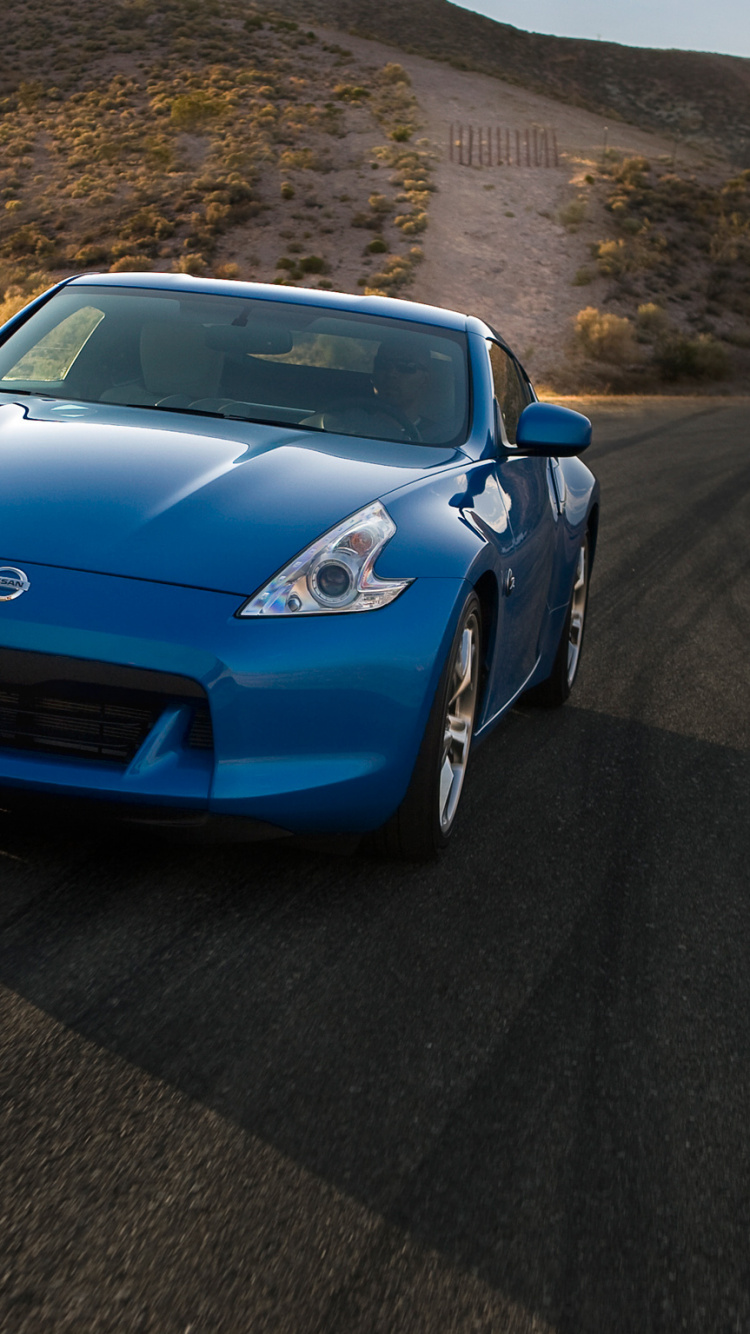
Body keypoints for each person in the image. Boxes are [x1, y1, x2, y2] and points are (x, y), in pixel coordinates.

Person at [372, 337, 436, 439]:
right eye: (383, 364)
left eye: (405, 366)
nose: (391, 373)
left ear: (425, 379)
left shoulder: (442, 439)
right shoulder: (348, 423)